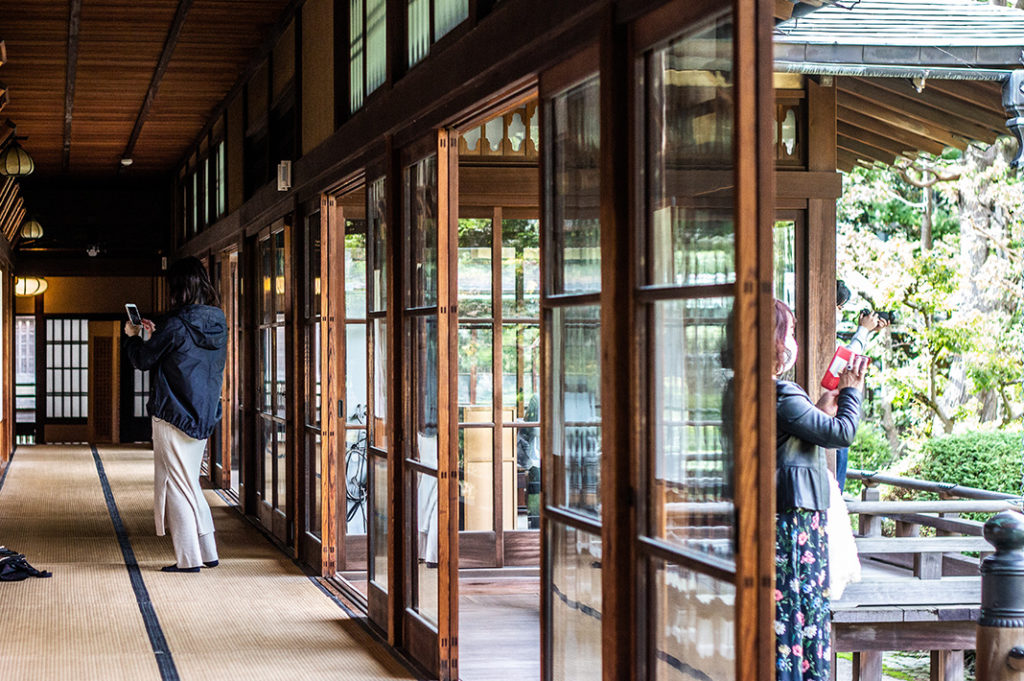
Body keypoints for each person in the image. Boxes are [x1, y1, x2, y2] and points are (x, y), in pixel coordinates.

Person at [774, 299, 865, 681]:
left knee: (789, 611)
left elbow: (798, 433)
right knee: (799, 607)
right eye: (790, 331)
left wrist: (819, 406)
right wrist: (852, 390)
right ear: (774, 340)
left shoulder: (751, 389)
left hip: (781, 515)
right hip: (794, 523)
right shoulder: (780, 393)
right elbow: (843, 434)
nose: (793, 340)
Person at [124, 257, 227, 573]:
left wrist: (133, 335)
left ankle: (188, 560)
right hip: (203, 415)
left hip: (172, 415)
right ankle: (207, 552)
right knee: (190, 482)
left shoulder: (176, 325)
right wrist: (154, 336)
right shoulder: (218, 321)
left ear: (178, 288)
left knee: (178, 487)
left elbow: (143, 360)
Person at [834, 279, 888, 489]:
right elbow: (844, 361)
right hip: (829, 419)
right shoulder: (817, 334)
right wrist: (863, 331)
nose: (840, 312)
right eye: (839, 307)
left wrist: (867, 331)